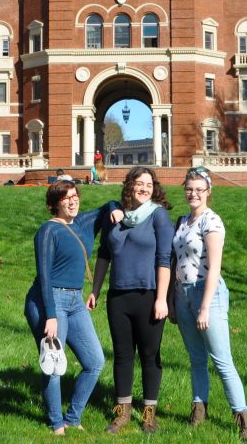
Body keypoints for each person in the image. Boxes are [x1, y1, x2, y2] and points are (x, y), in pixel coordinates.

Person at [24, 180, 122, 435]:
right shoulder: (48, 231)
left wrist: (114, 209)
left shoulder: (82, 223)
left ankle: (73, 416)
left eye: (75, 195)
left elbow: (107, 207)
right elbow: (44, 275)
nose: (73, 200)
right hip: (49, 299)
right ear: (55, 204)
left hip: (76, 301)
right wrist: (51, 316)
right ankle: (57, 423)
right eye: (66, 197)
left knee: (95, 361)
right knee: (53, 362)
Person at [88, 166, 172, 434]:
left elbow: (164, 259)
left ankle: (149, 415)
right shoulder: (115, 216)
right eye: (139, 183)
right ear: (130, 186)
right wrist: (96, 290)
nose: (144, 188)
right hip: (118, 297)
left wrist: (161, 298)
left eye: (149, 184)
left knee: (149, 356)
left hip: (148, 296)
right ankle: (121, 413)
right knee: (123, 356)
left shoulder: (158, 216)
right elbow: (103, 255)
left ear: (154, 188)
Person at [171, 167, 247, 440]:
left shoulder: (211, 221)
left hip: (208, 293)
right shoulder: (181, 221)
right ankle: (198, 410)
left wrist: (204, 306)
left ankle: (242, 419)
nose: (193, 194)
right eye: (189, 189)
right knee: (196, 358)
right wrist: (174, 298)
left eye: (198, 189)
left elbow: (214, 267)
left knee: (221, 360)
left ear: (208, 192)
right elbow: (177, 261)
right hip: (182, 294)